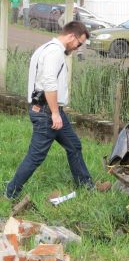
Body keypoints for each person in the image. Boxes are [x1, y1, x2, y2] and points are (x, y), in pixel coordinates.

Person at [5, 21, 95, 199]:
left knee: (74, 146)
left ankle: (86, 186)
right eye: (79, 44)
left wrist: (56, 112)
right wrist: (54, 113)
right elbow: (49, 83)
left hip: (49, 110)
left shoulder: (46, 48)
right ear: (71, 36)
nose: (77, 48)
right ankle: (10, 192)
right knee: (36, 156)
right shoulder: (55, 52)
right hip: (47, 112)